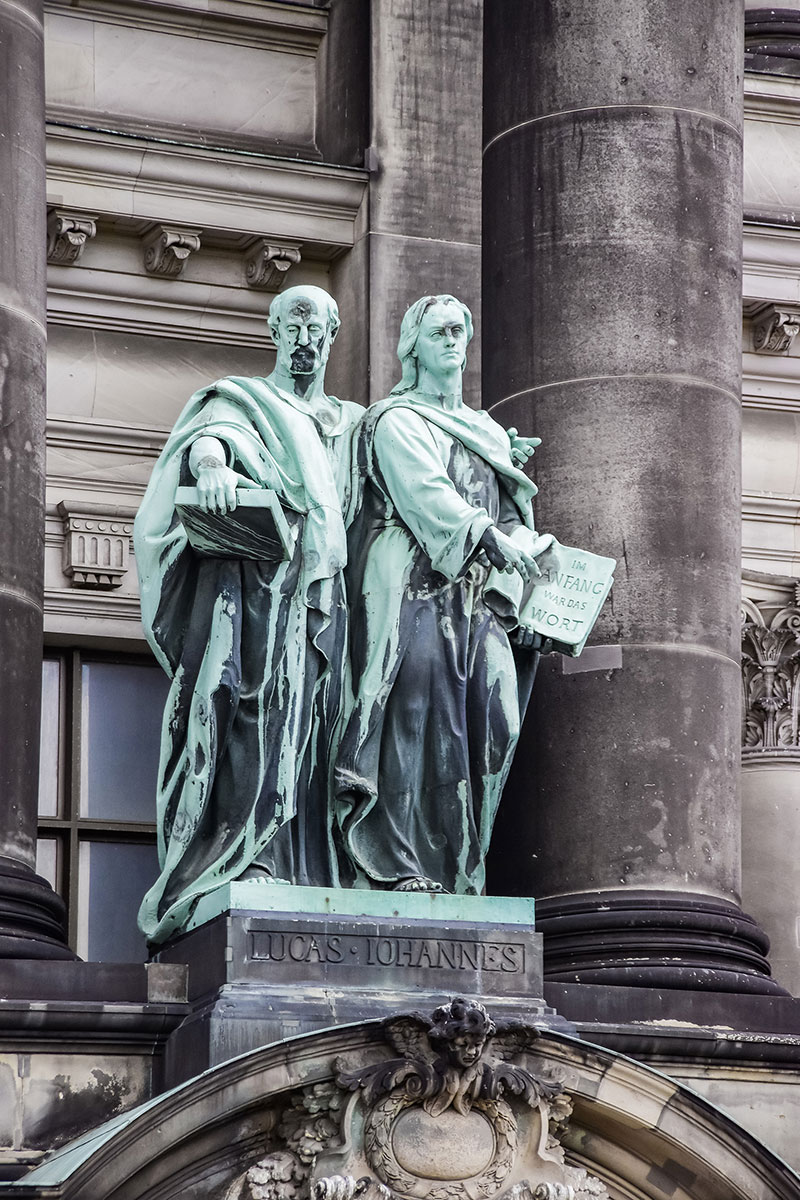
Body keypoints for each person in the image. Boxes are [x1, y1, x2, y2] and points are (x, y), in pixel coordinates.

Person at [135, 285, 362, 946]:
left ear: (334, 333)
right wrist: (213, 469)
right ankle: (250, 857)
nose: (305, 336)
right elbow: (210, 438)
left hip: (332, 597)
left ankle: (319, 866)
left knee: (324, 731)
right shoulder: (242, 397)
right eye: (292, 323)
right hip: (264, 587)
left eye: (316, 325)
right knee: (258, 715)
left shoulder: (353, 421)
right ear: (272, 331)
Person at [333, 294, 546, 896]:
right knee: (413, 713)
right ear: (413, 347)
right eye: (439, 332)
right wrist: (492, 538)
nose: (453, 340)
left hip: (476, 593)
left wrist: (537, 554)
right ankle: (398, 862)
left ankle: (459, 865)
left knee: (495, 718)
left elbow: (510, 517)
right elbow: (426, 495)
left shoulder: (484, 431)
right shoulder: (396, 419)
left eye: (460, 330)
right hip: (410, 586)